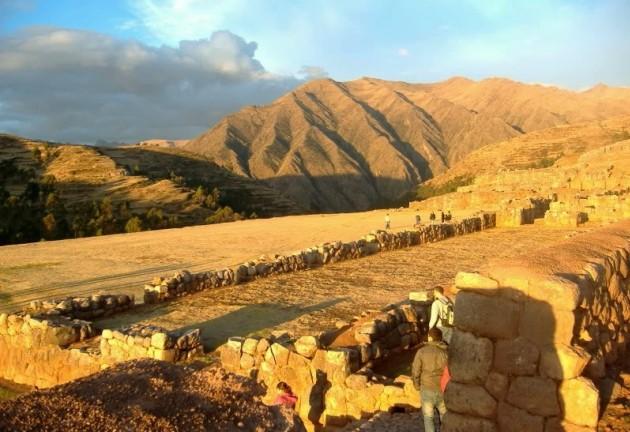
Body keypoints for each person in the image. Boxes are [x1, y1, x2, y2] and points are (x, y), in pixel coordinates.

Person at [411, 328, 448, 432]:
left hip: (427, 389)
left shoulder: (421, 352)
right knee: (445, 416)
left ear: (430, 338)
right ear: (441, 338)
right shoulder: (446, 352)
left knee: (428, 417)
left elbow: (416, 370)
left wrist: (417, 385)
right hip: (442, 389)